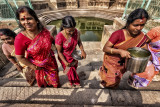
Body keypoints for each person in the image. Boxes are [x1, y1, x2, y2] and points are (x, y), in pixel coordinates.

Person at [99, 8, 149, 88]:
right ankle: (108, 86)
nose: (139, 28)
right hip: (112, 62)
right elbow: (105, 48)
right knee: (109, 78)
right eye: (135, 25)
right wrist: (120, 51)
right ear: (128, 23)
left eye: (142, 25)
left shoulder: (141, 36)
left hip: (124, 63)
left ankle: (114, 85)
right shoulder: (118, 34)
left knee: (118, 76)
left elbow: (144, 49)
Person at [14, 6, 59, 87]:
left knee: (54, 79)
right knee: (44, 82)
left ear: (36, 20)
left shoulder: (44, 31)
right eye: (22, 19)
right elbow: (20, 57)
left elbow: (51, 39)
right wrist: (33, 66)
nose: (26, 22)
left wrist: (61, 48)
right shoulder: (20, 38)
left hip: (50, 61)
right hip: (37, 67)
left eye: (29, 18)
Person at [55, 16, 86, 88]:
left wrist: (82, 50)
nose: (72, 33)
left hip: (74, 55)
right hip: (64, 57)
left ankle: (73, 79)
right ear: (63, 27)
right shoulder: (59, 37)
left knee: (74, 69)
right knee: (70, 71)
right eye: (69, 31)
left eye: (73, 30)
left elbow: (79, 42)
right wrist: (65, 62)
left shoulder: (76, 32)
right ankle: (73, 82)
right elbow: (59, 52)